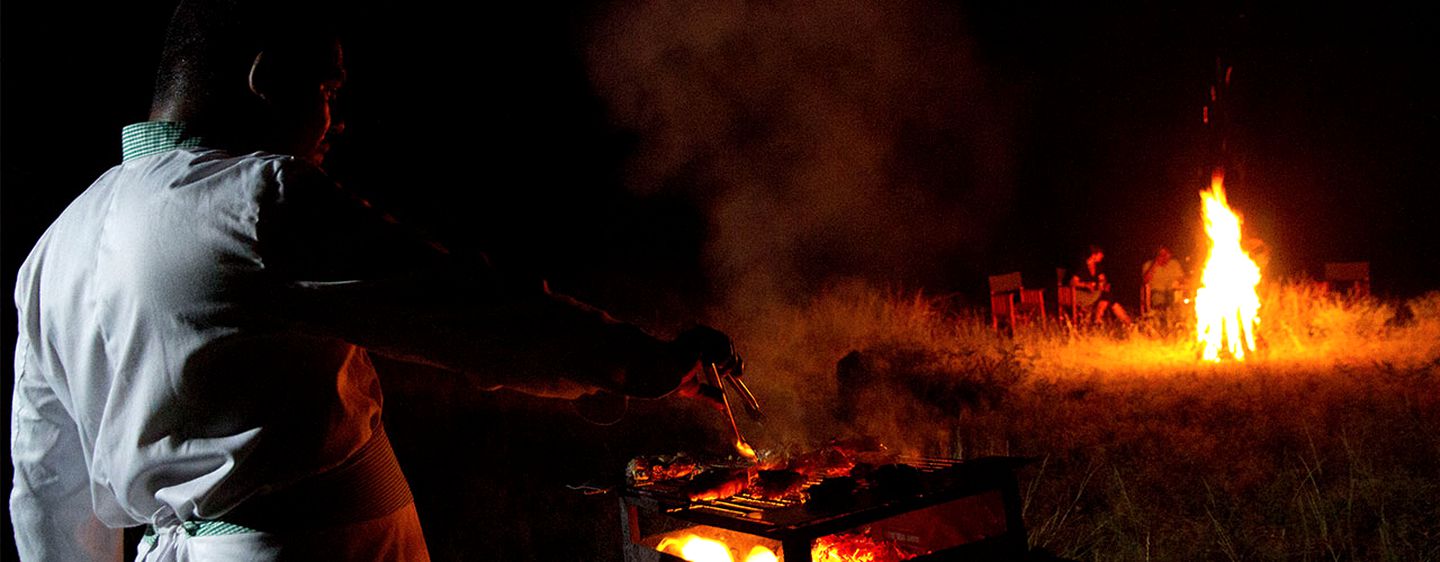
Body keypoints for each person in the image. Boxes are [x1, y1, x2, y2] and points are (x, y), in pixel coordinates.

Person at [9, 2, 741, 561]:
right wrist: (645, 363)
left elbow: (48, 490)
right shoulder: (258, 199)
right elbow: (475, 315)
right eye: (327, 87)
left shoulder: (54, 248)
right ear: (266, 79)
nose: (336, 121)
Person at [1070, 245, 1131, 325]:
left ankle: (1098, 320)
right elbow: (1072, 282)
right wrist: (1085, 285)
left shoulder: (1098, 266)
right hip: (1081, 295)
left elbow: (1102, 279)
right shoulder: (1082, 266)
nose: (1102, 256)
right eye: (1100, 254)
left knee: (1107, 294)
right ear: (1093, 255)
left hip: (1093, 294)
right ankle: (1127, 322)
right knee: (1108, 296)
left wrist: (1104, 284)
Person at [1141, 245, 1186, 321]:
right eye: (1161, 254)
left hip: (1173, 291)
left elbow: (1182, 279)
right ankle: (1161, 320)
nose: (1164, 256)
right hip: (1157, 292)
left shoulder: (1174, 264)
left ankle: (1178, 321)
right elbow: (1145, 281)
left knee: (1178, 300)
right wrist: (1155, 265)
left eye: (1166, 254)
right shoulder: (1148, 265)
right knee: (1159, 301)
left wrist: (1183, 284)